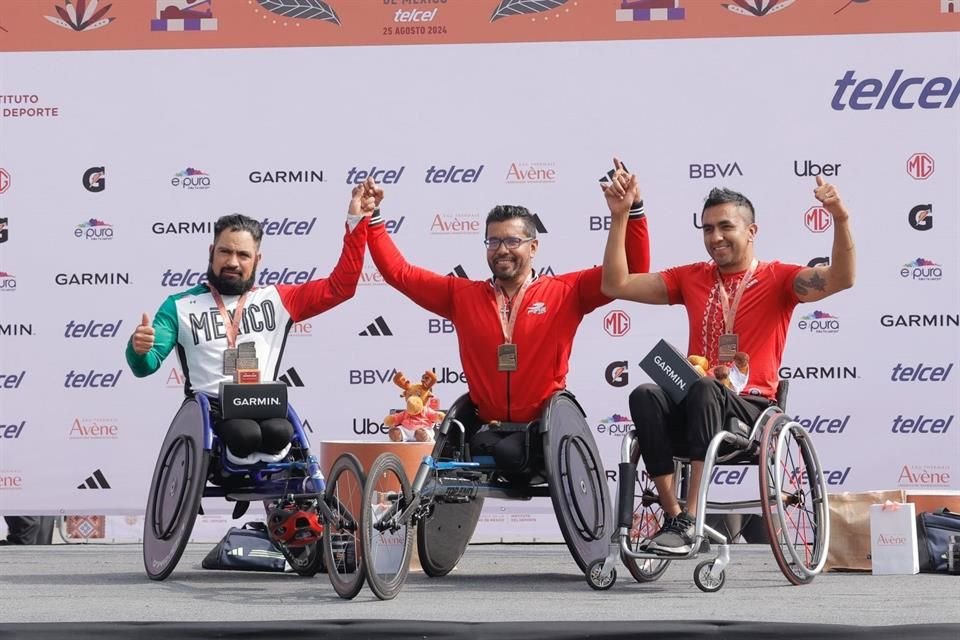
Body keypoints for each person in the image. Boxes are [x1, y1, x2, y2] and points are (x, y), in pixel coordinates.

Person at [601, 176, 855, 555]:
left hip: (750, 409)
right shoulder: (690, 277)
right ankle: (676, 519)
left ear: (751, 231)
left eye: (725, 226)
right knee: (645, 394)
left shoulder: (780, 277)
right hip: (694, 403)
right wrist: (621, 216)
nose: (715, 236)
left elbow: (842, 278)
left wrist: (840, 218)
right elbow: (616, 285)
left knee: (707, 387)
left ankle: (692, 515)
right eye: (707, 228)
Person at [362, 158, 649, 428]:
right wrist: (373, 216)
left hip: (546, 430)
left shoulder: (567, 291)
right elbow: (399, 273)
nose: (502, 249)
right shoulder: (460, 296)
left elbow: (632, 273)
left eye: (513, 240)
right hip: (485, 428)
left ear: (533, 247)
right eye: (494, 241)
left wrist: (631, 211)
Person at [126, 187, 373, 461]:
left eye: (243, 255)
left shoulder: (279, 300)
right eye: (225, 252)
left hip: (265, 404)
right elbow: (146, 365)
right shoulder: (179, 306)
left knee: (281, 432)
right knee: (244, 435)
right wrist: (138, 350)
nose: (232, 262)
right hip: (214, 411)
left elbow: (342, 287)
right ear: (211, 252)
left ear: (257, 260)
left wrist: (356, 223)